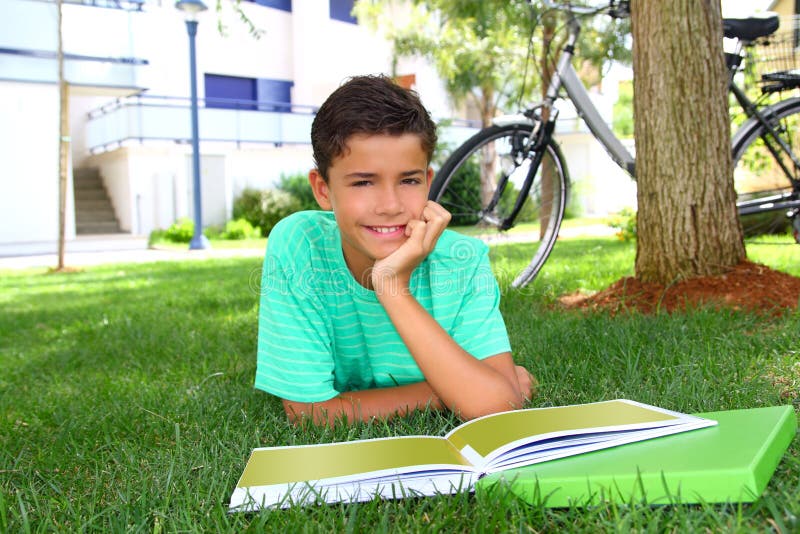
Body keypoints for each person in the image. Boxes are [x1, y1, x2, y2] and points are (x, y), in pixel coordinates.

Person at [255, 75, 536, 425]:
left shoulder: (462, 260)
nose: (390, 205)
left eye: (408, 180)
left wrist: (391, 284)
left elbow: (498, 408)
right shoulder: (299, 246)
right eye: (363, 182)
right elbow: (309, 412)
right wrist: (451, 390)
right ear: (323, 189)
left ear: (428, 182)